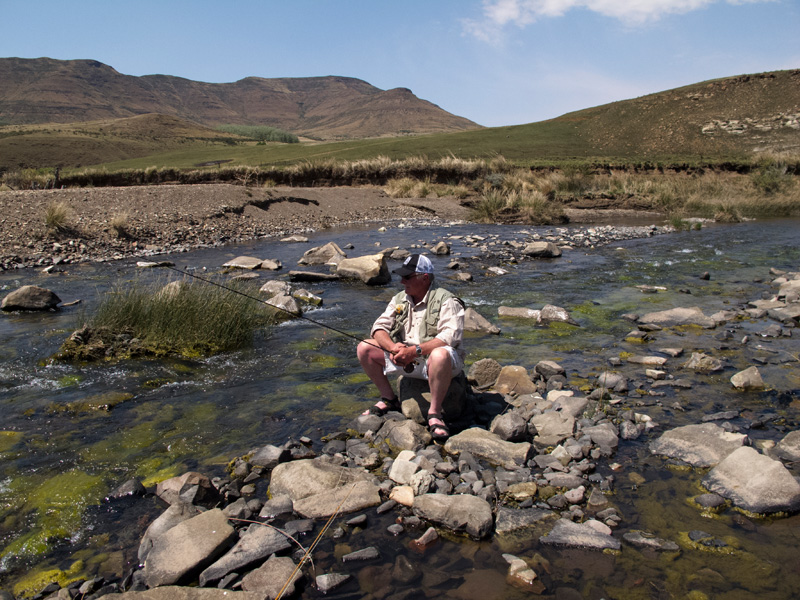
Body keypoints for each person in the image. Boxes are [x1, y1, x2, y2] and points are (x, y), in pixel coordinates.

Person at [357, 253, 465, 441]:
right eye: (401, 276)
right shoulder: (399, 298)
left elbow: (450, 336)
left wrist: (414, 351)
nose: (401, 281)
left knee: (440, 354)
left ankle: (434, 413)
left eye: (407, 277)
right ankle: (389, 399)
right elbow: (378, 328)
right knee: (364, 347)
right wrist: (392, 348)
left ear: (424, 278)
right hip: (404, 358)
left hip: (437, 361)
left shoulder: (447, 300)